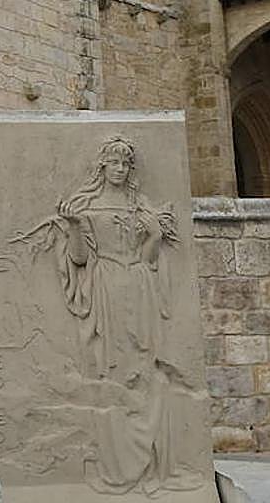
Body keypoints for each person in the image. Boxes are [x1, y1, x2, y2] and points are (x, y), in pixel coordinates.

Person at [54, 136, 181, 490]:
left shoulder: (141, 208)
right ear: (102, 167)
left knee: (143, 370)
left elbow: (151, 258)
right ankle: (115, 466)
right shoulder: (86, 206)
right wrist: (75, 226)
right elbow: (78, 259)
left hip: (138, 288)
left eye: (125, 164)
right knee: (112, 376)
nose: (119, 169)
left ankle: (150, 466)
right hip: (106, 289)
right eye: (113, 163)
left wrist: (154, 234)